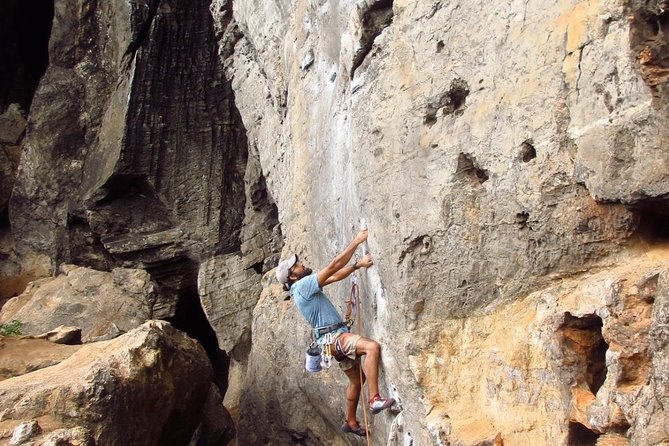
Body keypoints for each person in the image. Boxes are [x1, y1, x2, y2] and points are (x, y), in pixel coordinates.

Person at [275, 229, 395, 437]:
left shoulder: (301, 289)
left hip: (329, 343)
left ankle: (350, 421)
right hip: (336, 338)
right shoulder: (303, 285)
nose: (302, 264)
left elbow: (333, 276)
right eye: (297, 265)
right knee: (371, 347)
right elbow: (333, 266)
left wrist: (357, 265)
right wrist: (357, 241)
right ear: (293, 275)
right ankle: (375, 399)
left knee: (357, 381)